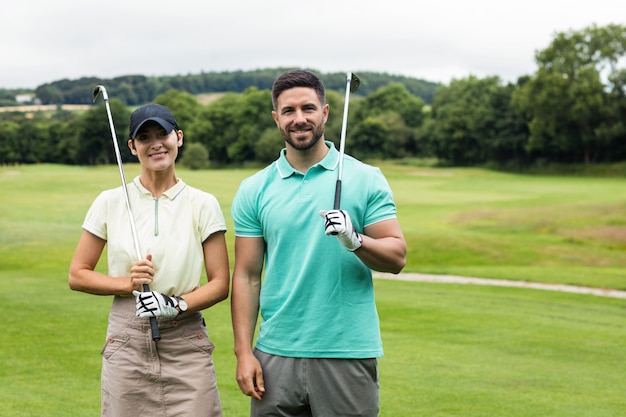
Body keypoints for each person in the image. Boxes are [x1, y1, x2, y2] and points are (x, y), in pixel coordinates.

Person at [230, 69, 407, 417]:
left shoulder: (365, 178)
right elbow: (247, 277)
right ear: (276, 119)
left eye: (308, 109)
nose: (299, 119)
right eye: (289, 111)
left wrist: (355, 240)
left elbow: (396, 256)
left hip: (346, 351)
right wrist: (243, 352)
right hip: (276, 352)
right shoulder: (255, 189)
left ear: (324, 113)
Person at [69, 103, 230, 416]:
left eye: (163, 133)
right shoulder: (110, 201)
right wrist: (128, 283)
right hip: (127, 336)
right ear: (132, 147)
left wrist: (177, 304)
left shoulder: (203, 203)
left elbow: (221, 282)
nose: (156, 143)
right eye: (144, 137)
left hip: (186, 336)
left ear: (178, 138)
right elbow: (78, 274)